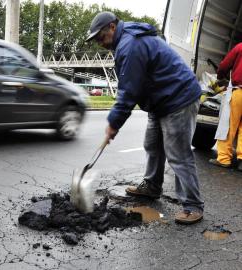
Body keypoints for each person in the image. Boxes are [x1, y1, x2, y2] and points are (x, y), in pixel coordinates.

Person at [86, 12, 204, 224]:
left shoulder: (130, 45)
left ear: (112, 27)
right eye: (96, 40)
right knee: (152, 145)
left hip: (178, 98)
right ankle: (152, 186)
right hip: (159, 101)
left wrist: (114, 123)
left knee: (178, 154)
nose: (100, 44)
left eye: (101, 38)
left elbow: (128, 92)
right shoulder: (127, 38)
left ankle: (192, 205)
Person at [208, 43, 242, 171]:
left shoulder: (240, 47)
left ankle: (223, 159)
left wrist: (220, 76)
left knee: (229, 126)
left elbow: (224, 65)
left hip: (239, 92)